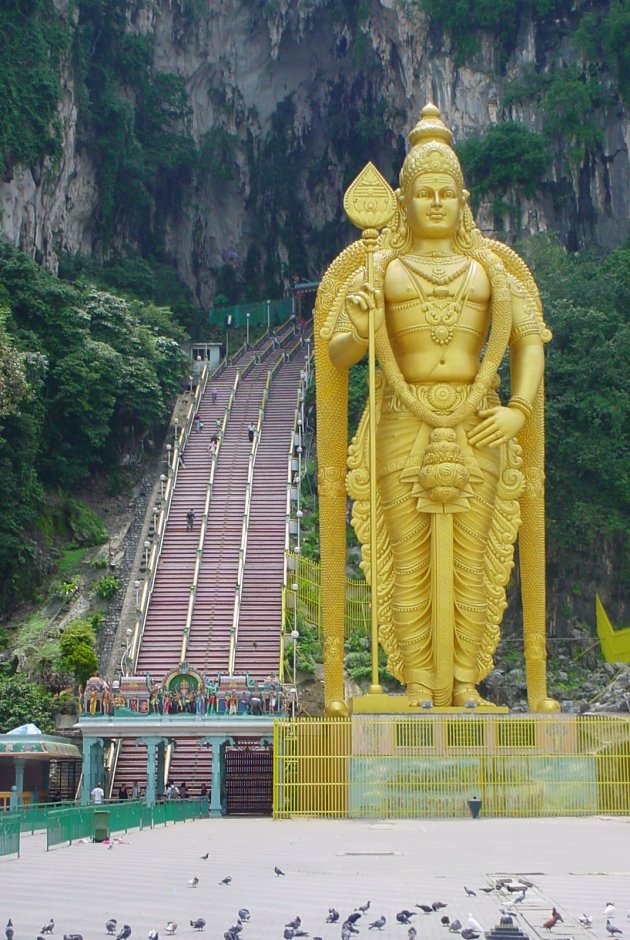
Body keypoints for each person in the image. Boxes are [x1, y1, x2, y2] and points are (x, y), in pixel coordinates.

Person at [317, 104, 556, 712]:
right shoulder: (381, 268)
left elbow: (528, 340)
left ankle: (467, 684)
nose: (436, 203)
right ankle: (419, 683)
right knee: (408, 558)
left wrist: (520, 410)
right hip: (401, 420)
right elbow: (339, 353)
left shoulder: (491, 271)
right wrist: (364, 326)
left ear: (464, 198)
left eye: (447, 192)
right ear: (402, 200)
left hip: (480, 423)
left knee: (476, 559)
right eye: (423, 192)